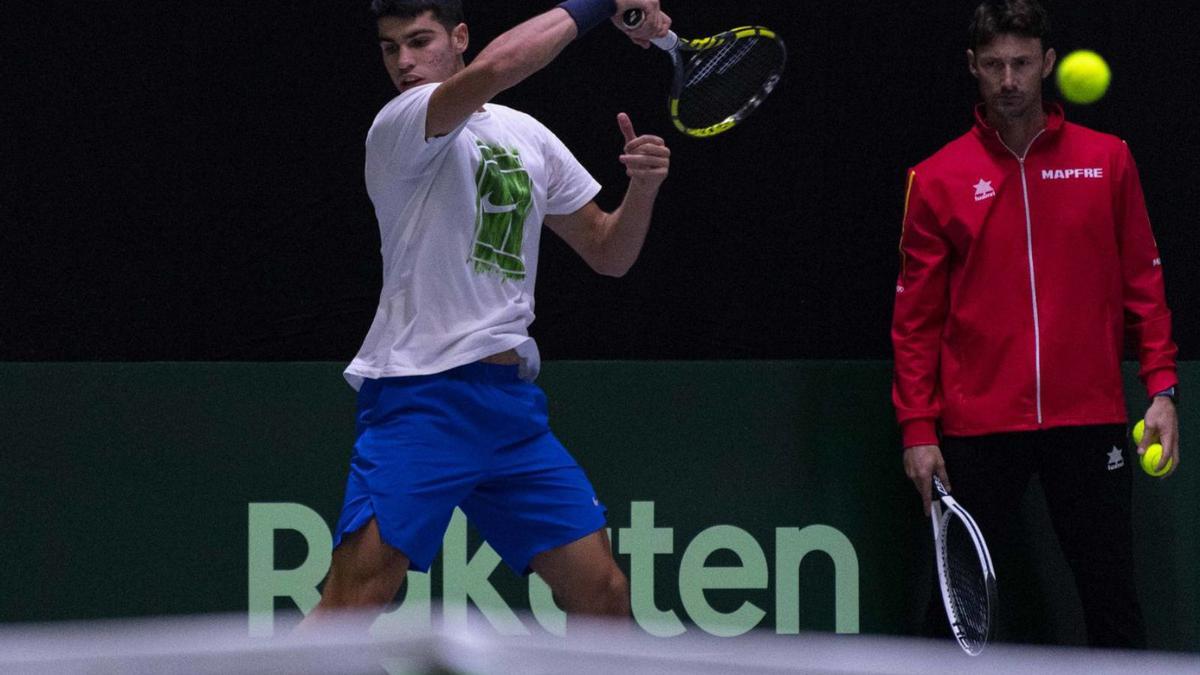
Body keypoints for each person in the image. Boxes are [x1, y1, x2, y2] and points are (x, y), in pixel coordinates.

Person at [300, 0, 672, 629]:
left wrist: (642, 189)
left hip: (508, 410)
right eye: (391, 49)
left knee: (604, 595)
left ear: (458, 37)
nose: (405, 62)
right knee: (352, 603)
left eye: (419, 41)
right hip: (421, 399)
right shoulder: (402, 122)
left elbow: (609, 253)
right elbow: (500, 66)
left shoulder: (525, 135)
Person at [891, 0, 1179, 648]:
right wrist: (918, 426)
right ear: (973, 67)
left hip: (1090, 418)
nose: (1010, 79)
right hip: (977, 428)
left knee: (1113, 603)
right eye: (994, 64)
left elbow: (1144, 282)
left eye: (1022, 62)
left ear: (1048, 63)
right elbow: (914, 321)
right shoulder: (936, 178)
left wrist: (1161, 388)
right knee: (951, 616)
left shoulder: (1109, 161)